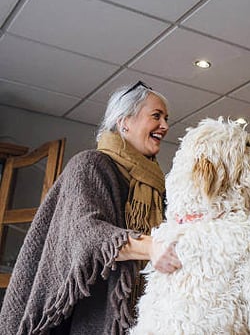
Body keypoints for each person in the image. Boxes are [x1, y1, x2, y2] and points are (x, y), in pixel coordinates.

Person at [0, 81, 181, 335]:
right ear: (124, 121)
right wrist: (150, 246)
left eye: (166, 118)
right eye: (156, 116)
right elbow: (86, 232)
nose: (165, 126)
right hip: (90, 319)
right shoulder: (89, 164)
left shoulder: (158, 184)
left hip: (145, 319)